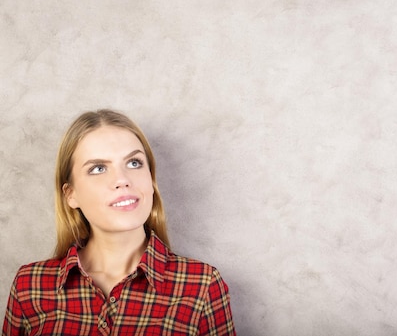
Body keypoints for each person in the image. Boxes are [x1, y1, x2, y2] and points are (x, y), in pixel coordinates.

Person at [2, 109, 236, 335]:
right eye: (98, 168)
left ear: (151, 180)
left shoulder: (202, 285)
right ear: (70, 194)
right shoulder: (30, 286)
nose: (122, 179)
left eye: (134, 163)